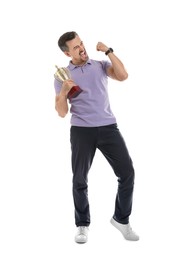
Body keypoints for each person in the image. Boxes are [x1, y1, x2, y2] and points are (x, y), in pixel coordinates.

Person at [54, 31, 139, 243]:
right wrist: (64, 91)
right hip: (82, 130)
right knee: (79, 179)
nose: (82, 48)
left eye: (81, 43)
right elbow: (62, 112)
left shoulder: (99, 65)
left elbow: (123, 76)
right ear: (67, 53)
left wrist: (109, 51)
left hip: (109, 127)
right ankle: (82, 225)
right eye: (75, 47)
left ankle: (121, 219)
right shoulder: (63, 74)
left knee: (127, 172)